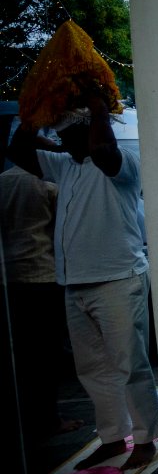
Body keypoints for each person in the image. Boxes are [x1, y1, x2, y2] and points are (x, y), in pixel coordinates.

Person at [8, 90, 158, 471]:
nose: (62, 141)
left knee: (129, 364)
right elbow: (19, 151)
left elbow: (104, 152)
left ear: (90, 130)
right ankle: (112, 437)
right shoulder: (66, 166)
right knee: (93, 369)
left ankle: (145, 439)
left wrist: (97, 106)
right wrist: (34, 114)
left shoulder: (122, 162)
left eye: (68, 134)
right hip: (75, 282)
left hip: (117, 278)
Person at [0, 163, 82, 440]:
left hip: (9, 276)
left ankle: (26, 418)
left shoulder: (3, 182)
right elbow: (62, 232)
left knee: (22, 354)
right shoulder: (47, 185)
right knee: (46, 354)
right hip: (43, 275)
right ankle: (49, 418)